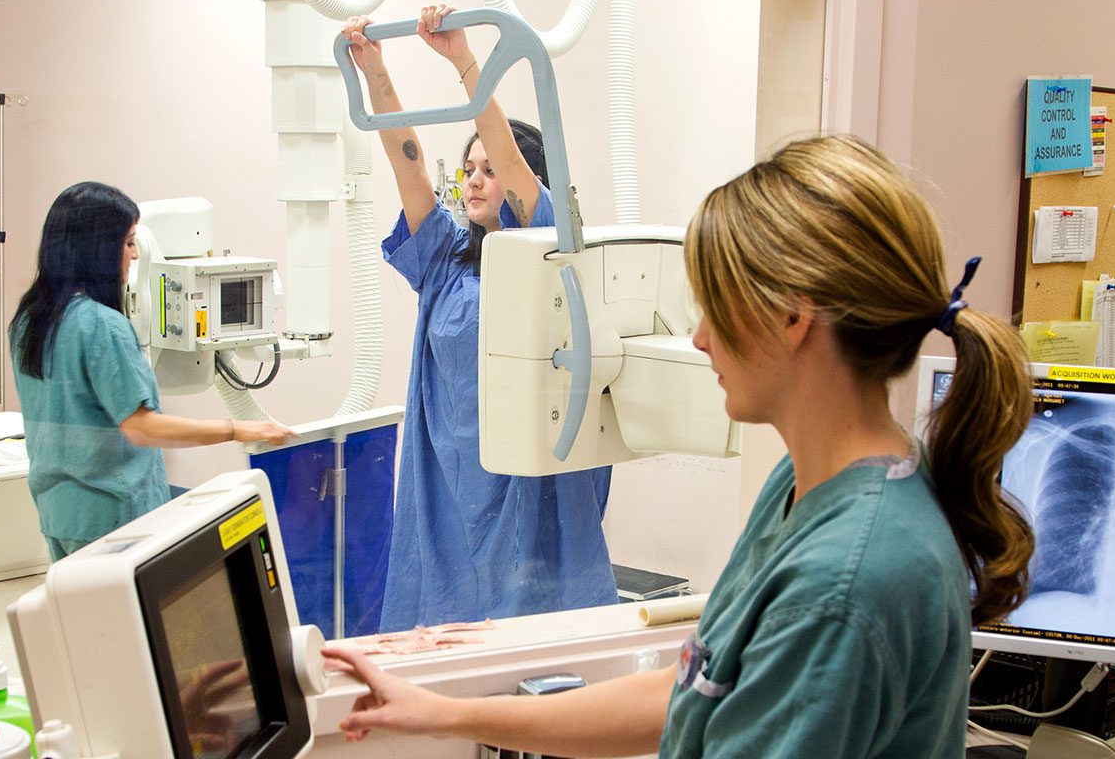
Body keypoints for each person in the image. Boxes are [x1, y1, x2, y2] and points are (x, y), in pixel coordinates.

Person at [321, 135, 1038, 758]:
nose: (696, 337)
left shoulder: (844, 586)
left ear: (793, 316)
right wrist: (451, 714)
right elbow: (690, 694)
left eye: (714, 303)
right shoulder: (804, 485)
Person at [341, 5, 617, 631]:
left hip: (526, 491)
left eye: (489, 171)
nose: (474, 180)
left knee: (535, 645)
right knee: (445, 635)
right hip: (448, 489)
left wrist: (465, 61)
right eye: (468, 170)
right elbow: (408, 166)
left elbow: (512, 171)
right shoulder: (444, 260)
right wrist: (374, 71)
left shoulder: (547, 247)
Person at [9, 181, 295, 561]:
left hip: (59, 511)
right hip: (114, 516)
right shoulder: (102, 325)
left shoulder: (29, 320)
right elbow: (142, 427)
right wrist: (236, 429)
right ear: (98, 249)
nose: (132, 255)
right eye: (128, 243)